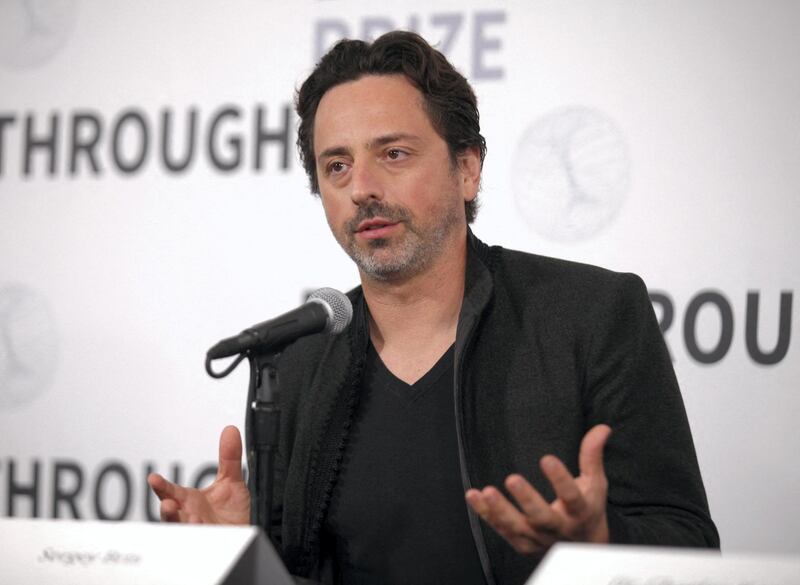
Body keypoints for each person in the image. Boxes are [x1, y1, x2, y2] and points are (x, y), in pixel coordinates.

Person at [148, 30, 719, 584]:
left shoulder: (592, 316)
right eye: (337, 165)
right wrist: (245, 554)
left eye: (393, 153)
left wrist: (600, 541)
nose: (362, 187)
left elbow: (689, 543)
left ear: (467, 169)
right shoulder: (297, 362)